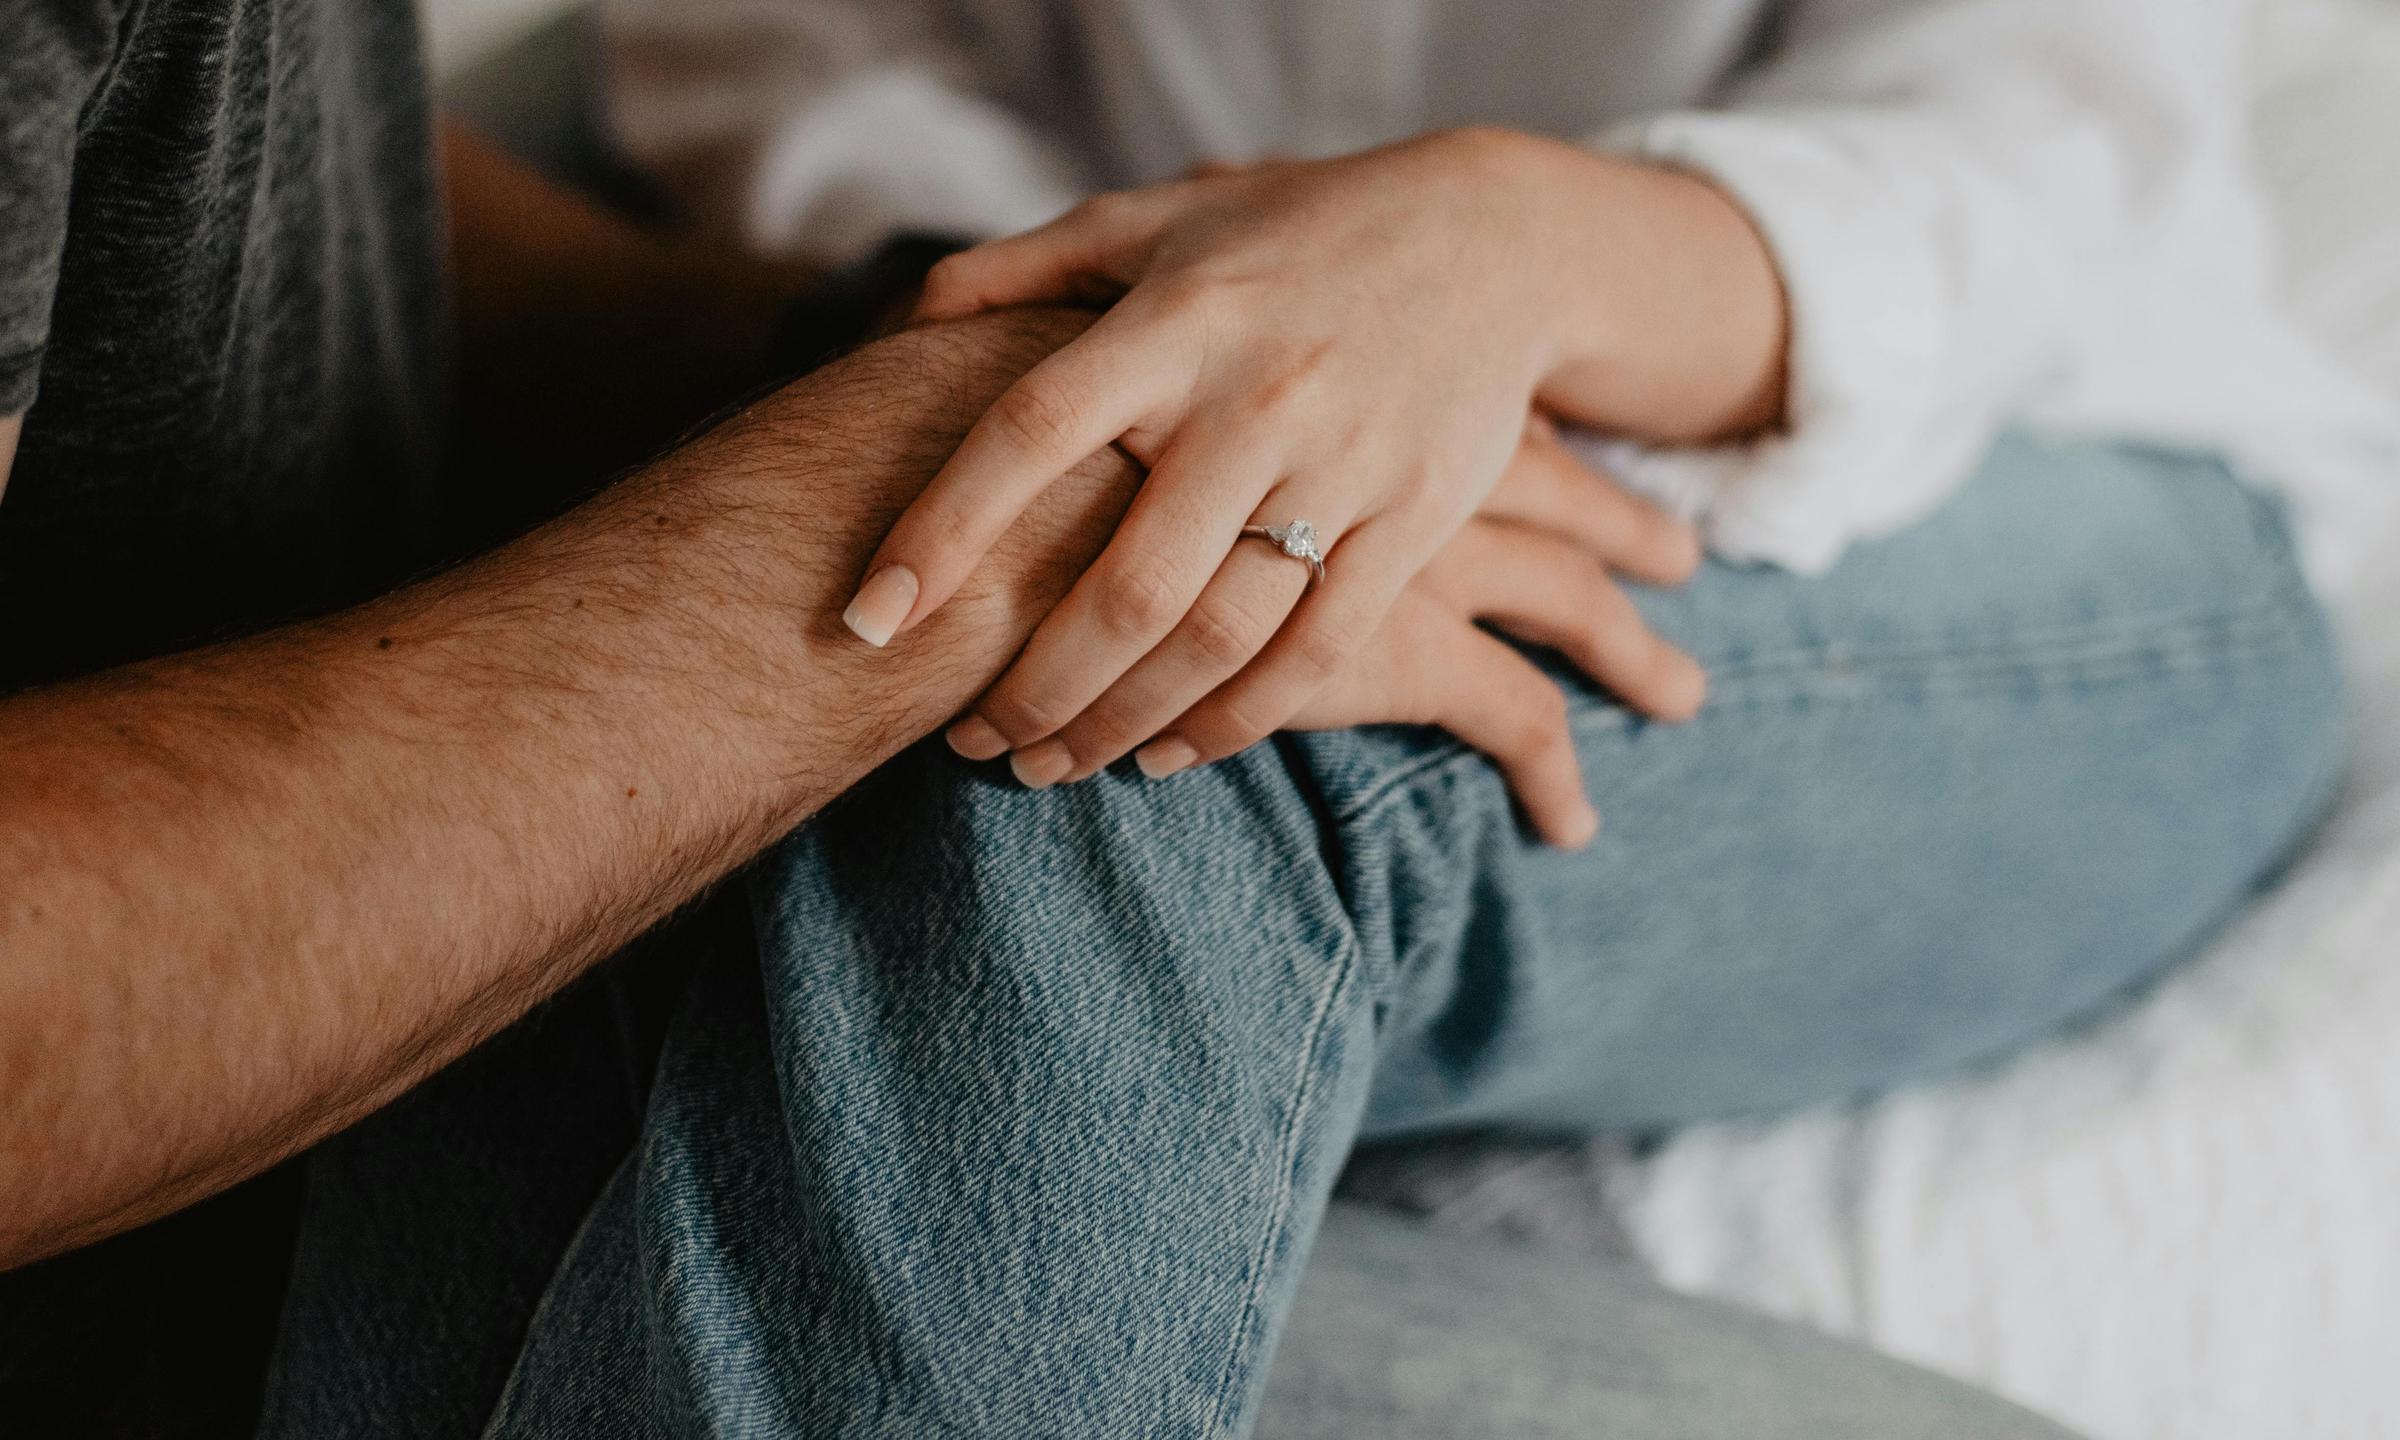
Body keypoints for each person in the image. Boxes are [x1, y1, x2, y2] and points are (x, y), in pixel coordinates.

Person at [0, 6, 2359, 1440]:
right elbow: (795, 62)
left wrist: (1495, 260)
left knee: (1156, 689)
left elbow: (2046, 157)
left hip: (1981, 443)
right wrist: (1144, 361)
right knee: (1081, 627)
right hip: (1055, 317)